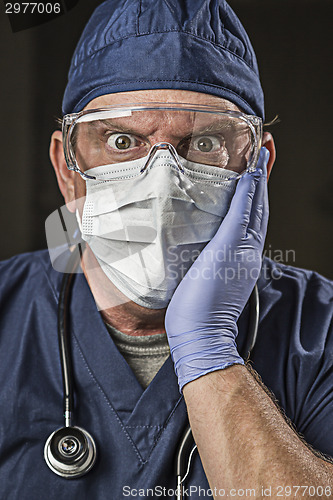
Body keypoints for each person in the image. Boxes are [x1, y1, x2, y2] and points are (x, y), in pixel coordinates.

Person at [1, 0, 333, 498]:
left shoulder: (321, 333)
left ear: (258, 168)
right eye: (120, 141)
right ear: (67, 170)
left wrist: (208, 349)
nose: (161, 183)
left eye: (203, 144)